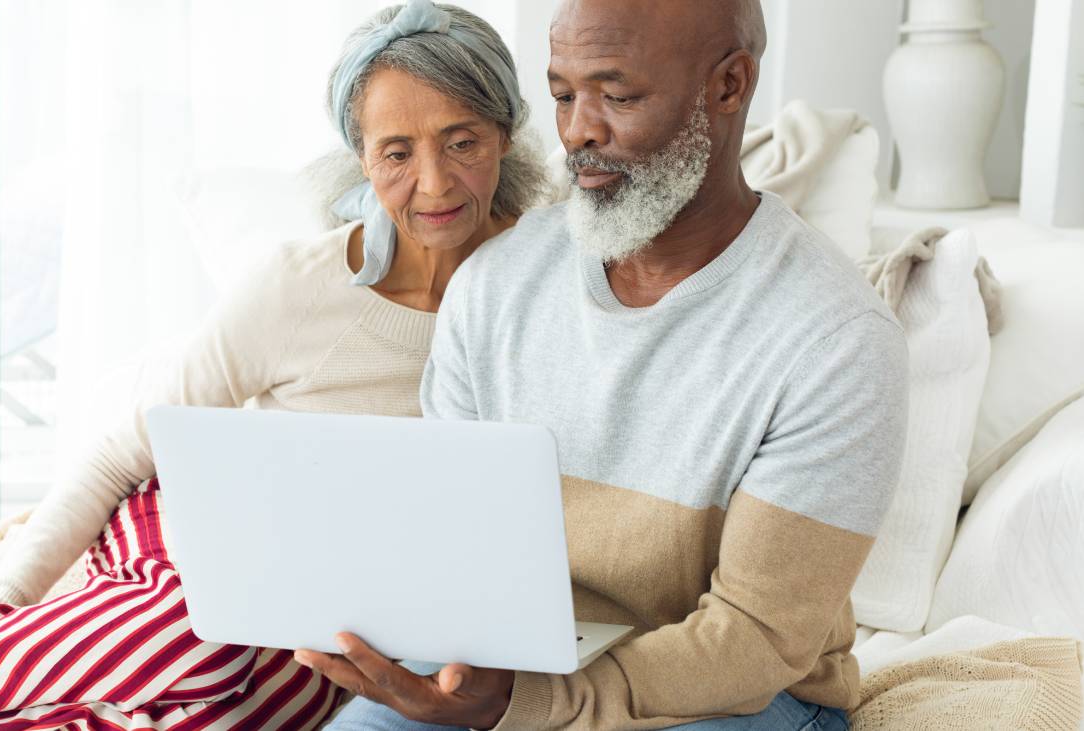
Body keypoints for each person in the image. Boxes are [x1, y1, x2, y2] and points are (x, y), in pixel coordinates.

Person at [0, 3, 545, 729]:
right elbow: (121, 451)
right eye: (397, 153)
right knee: (197, 655)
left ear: (504, 134)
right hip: (190, 537)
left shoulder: (548, 284)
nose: (436, 183)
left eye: (462, 141)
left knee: (233, 706)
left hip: (347, 606)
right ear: (360, 158)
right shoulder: (300, 286)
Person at [300, 0, 908, 729]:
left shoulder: (835, 337)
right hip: (519, 664)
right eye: (563, 95)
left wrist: (528, 704)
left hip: (732, 697)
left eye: (617, 96)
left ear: (729, 86)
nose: (578, 131)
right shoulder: (496, 283)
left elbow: (754, 641)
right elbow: (459, 542)